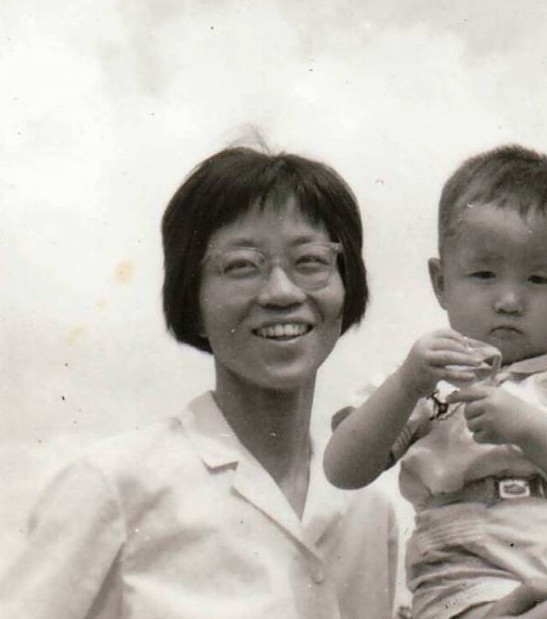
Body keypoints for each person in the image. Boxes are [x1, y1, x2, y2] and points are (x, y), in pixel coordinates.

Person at [0, 146, 398, 619]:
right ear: (193, 304)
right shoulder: (115, 485)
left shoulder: (370, 511)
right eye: (241, 265)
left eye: (310, 260)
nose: (282, 292)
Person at [324, 145, 547, 619]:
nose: (509, 299)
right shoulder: (430, 374)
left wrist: (528, 428)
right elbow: (343, 468)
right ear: (441, 282)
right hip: (458, 574)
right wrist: (407, 385)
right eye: (484, 274)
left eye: (539, 279)